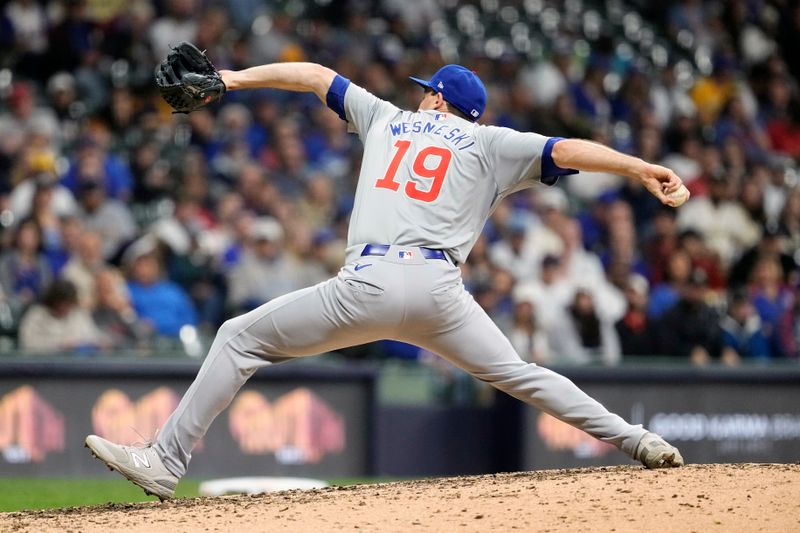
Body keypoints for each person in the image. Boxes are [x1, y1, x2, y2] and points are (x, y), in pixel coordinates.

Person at [86, 60, 686, 500]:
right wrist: (639, 168)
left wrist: (230, 79)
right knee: (522, 376)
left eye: (429, 92)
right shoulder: (490, 142)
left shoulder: (387, 117)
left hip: (367, 284)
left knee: (238, 338)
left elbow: (315, 76)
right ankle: (637, 440)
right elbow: (569, 149)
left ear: (437, 102)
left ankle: (166, 461)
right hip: (439, 294)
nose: (422, 97)